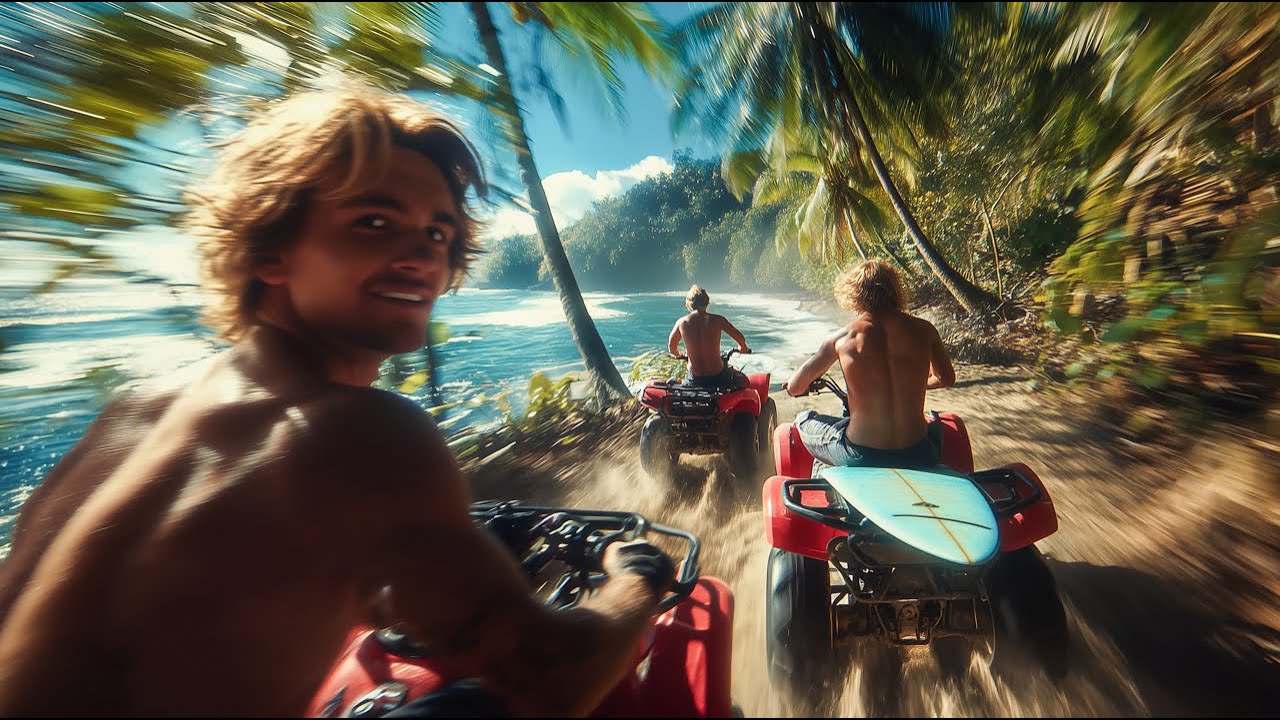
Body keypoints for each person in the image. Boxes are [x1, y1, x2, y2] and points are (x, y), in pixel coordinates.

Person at [0, 86, 673, 718]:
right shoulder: (354, 433)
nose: (422, 254)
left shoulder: (132, 412)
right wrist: (635, 578)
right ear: (271, 249)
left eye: (439, 233)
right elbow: (555, 678)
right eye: (374, 222)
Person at [784, 260, 956, 469]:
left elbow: (795, 387)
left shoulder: (842, 338)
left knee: (804, 419)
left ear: (854, 294)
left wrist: (797, 386)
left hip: (862, 455)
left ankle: (821, 475)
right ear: (896, 290)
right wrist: (915, 384)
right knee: (936, 422)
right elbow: (946, 378)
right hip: (919, 452)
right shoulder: (925, 330)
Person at [667, 284, 751, 388]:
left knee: (683, 379)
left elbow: (672, 347)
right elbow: (740, 338)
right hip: (719, 376)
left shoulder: (681, 322)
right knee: (738, 379)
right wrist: (742, 347)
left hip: (696, 378)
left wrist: (680, 355)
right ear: (706, 302)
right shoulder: (718, 320)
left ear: (689, 304)